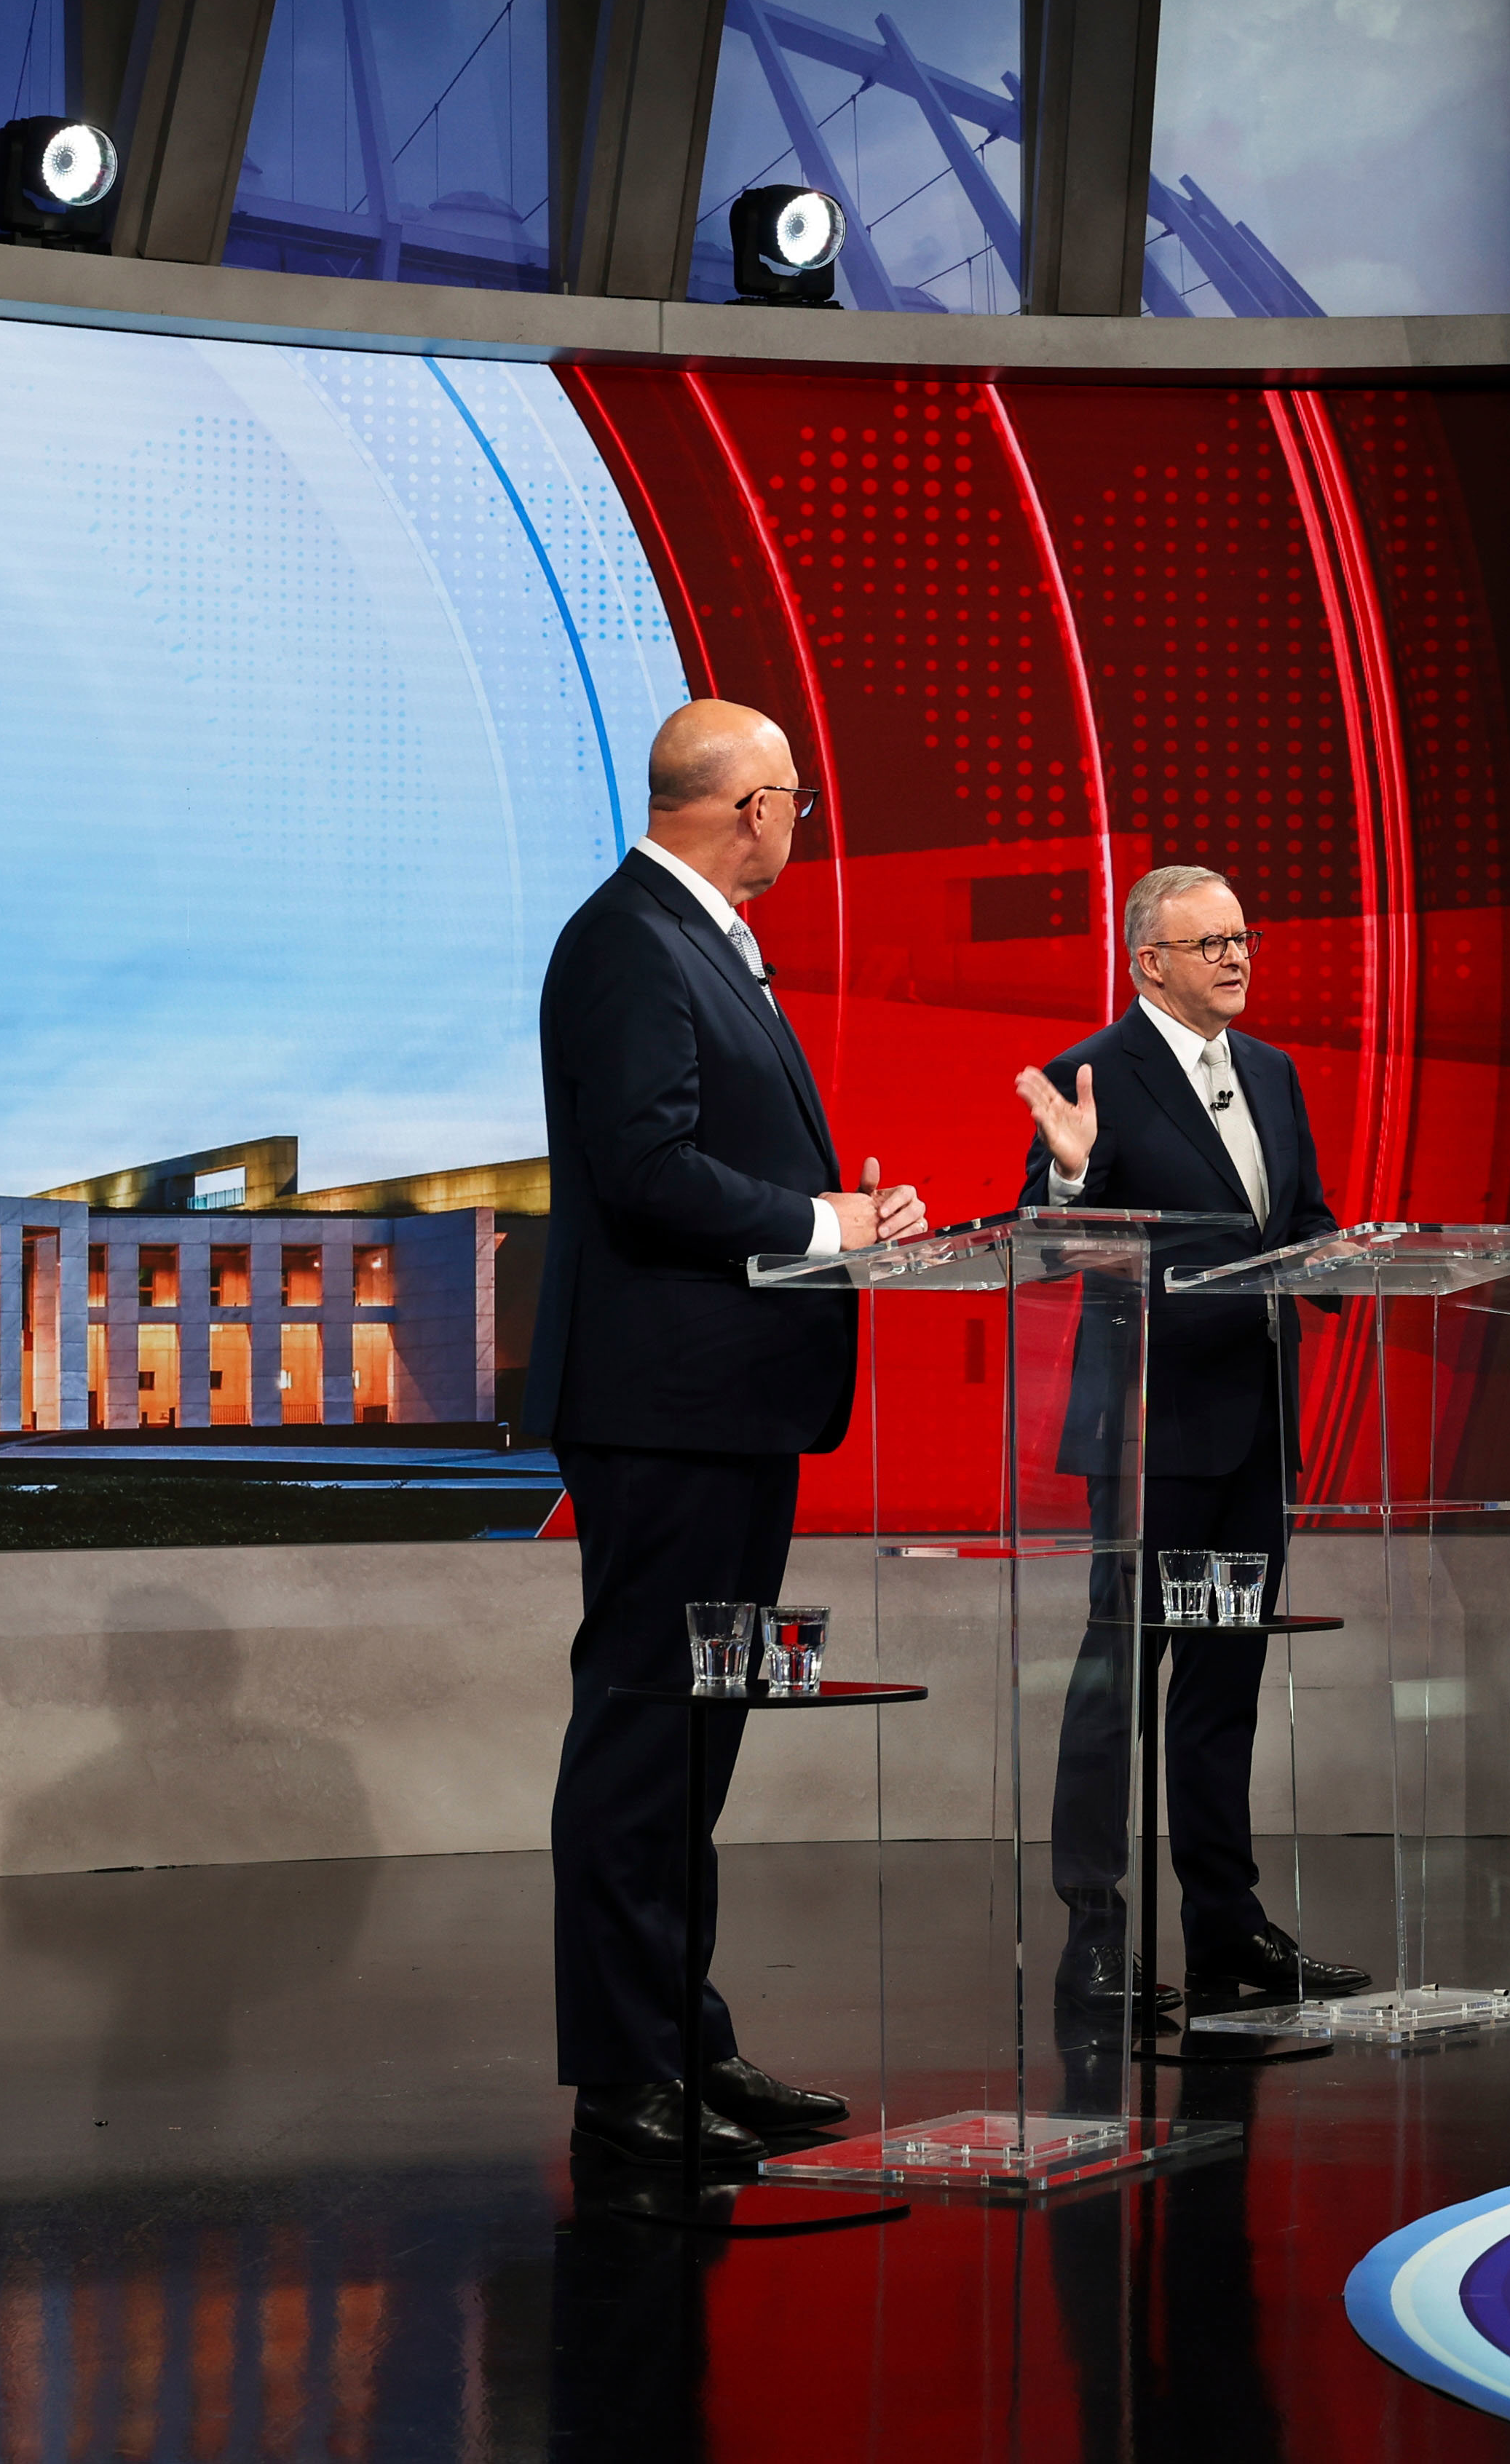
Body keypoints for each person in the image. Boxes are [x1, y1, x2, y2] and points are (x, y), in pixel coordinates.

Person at [531, 700, 926, 2171]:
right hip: (666, 1409)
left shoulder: (685, 934)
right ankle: (625, 2074)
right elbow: (644, 1171)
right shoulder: (628, 936)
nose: (799, 824)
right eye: (795, 799)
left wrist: (848, 1229)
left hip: (732, 1405)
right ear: (746, 806)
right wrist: (821, 1222)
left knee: (702, 1738)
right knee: (646, 1739)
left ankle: (682, 2039)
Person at [1012, 865, 1372, 2013]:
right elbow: (1055, 1245)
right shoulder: (1097, 1074)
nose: (1235, 956)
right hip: (1151, 1438)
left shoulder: (1272, 1072)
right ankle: (1096, 1935)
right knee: (1118, 1686)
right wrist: (1070, 1176)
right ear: (1147, 964)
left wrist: (1328, 1257)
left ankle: (1227, 1927)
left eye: (1243, 936)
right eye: (1208, 941)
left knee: (1226, 1685)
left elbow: (1300, 1215)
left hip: (1258, 1430)